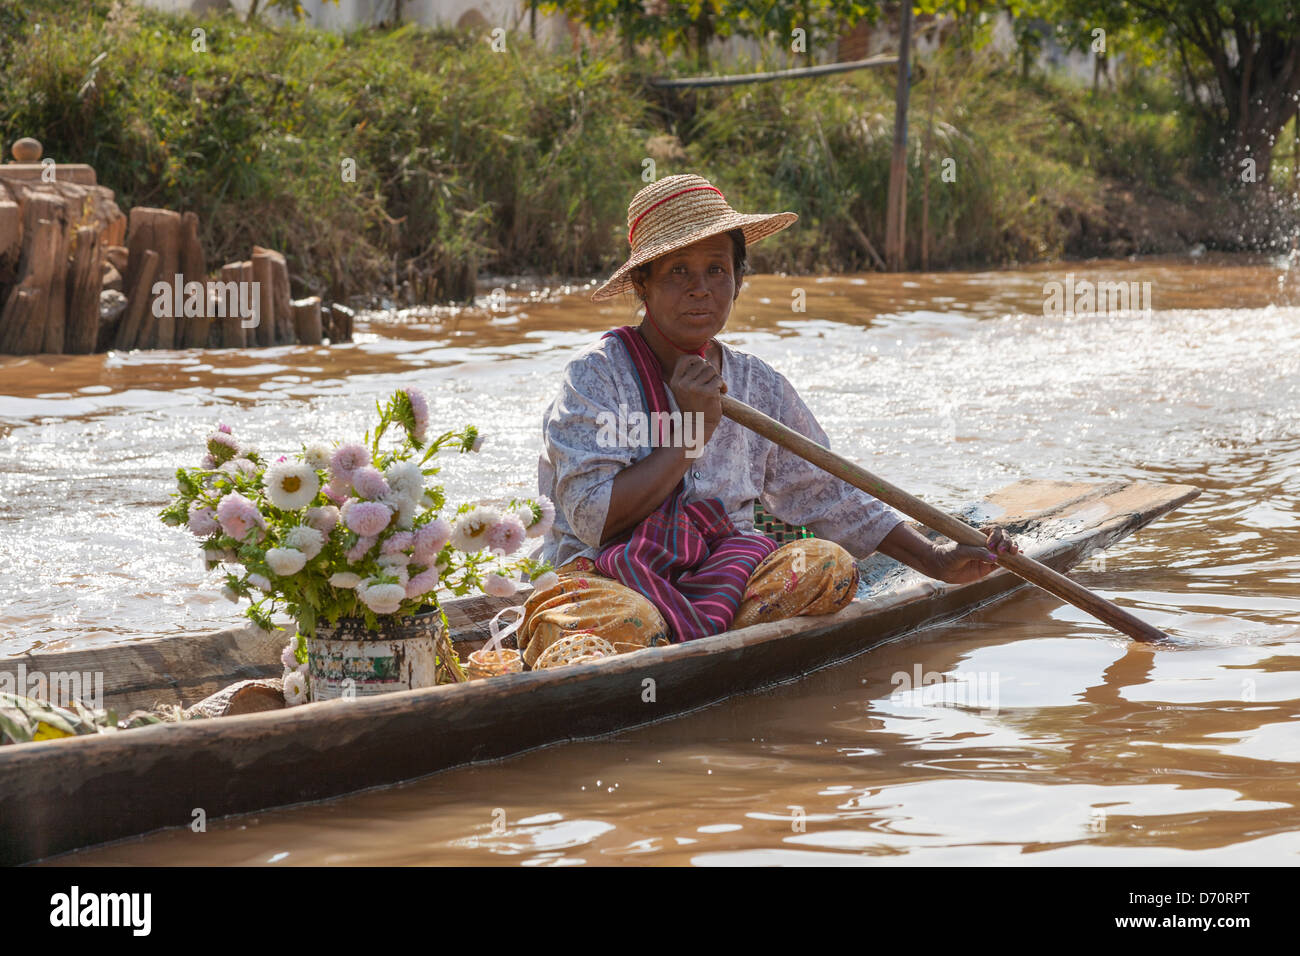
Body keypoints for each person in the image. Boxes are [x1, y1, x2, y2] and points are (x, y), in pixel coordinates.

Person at [519, 174, 1018, 668]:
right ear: (643, 283)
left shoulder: (757, 383)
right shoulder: (596, 376)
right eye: (677, 271)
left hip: (723, 580)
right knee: (634, 624)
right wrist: (692, 433)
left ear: (738, 280)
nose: (700, 290)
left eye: (717, 270)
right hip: (609, 582)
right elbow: (591, 519)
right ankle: (675, 644)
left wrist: (933, 560)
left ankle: (703, 642)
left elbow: (832, 493)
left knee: (827, 567)